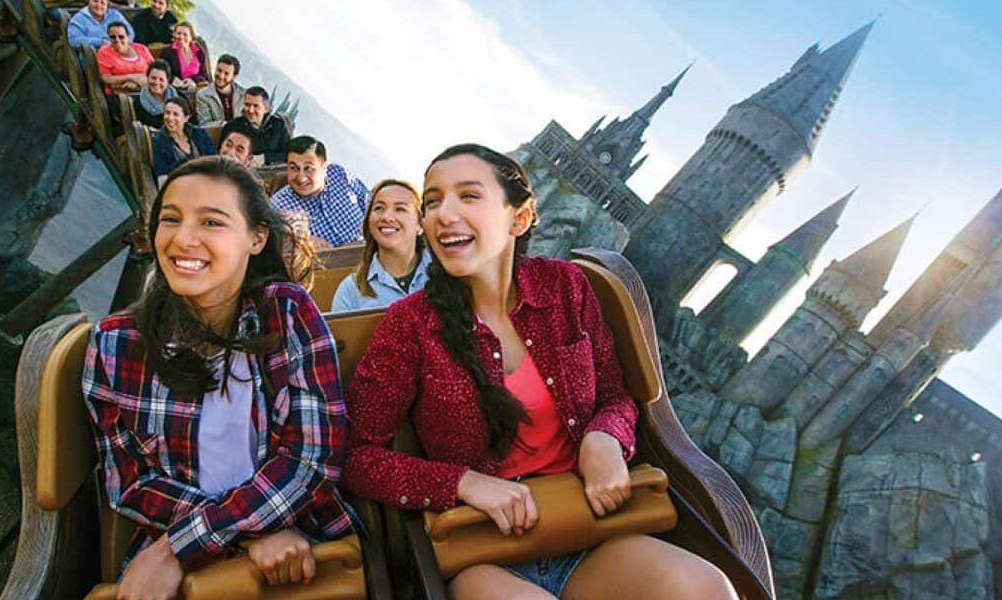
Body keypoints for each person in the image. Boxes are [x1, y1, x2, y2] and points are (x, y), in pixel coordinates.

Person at [342, 144, 737, 600]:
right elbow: (356, 455)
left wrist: (605, 438)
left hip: (586, 526)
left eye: (468, 196)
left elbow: (615, 395)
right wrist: (464, 483)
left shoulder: (567, 287)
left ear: (520, 217)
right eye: (432, 201)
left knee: (707, 588)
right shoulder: (409, 324)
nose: (443, 214)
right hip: (483, 550)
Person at [83, 157, 351, 599]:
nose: (183, 239)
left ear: (256, 238)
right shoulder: (115, 344)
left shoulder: (286, 313)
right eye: (171, 219)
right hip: (187, 563)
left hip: (304, 543)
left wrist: (182, 545)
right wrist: (243, 535)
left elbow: (312, 462)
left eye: (211, 222)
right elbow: (130, 482)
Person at [331, 179, 432, 312]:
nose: (386, 217)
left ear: (420, 224)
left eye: (400, 209)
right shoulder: (350, 291)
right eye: (379, 208)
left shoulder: (445, 272)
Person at [270, 136, 368, 249]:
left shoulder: (340, 175)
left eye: (308, 168)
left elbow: (370, 205)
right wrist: (302, 244)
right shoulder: (278, 205)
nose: (301, 178)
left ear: (324, 167)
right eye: (294, 168)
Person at [223, 87, 292, 166]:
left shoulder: (278, 126)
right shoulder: (233, 126)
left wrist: (265, 158)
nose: (250, 110)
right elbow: (222, 153)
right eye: (247, 105)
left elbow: (289, 153)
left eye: (256, 106)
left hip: (271, 170)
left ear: (266, 109)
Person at [151, 98, 217, 181]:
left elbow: (213, 157)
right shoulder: (157, 141)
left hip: (206, 178)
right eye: (167, 113)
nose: (170, 118)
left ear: (186, 118)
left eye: (175, 114)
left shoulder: (199, 133)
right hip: (178, 183)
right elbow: (162, 171)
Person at [96, 22, 152, 96]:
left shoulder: (141, 48)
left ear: (128, 36)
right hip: (119, 94)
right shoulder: (104, 52)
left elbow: (155, 69)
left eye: (121, 37)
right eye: (113, 37)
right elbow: (106, 78)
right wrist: (130, 78)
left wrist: (138, 83)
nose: (117, 40)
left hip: (146, 88)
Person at [195, 54, 246, 126]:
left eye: (226, 73)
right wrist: (225, 125)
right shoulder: (203, 95)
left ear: (234, 77)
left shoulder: (244, 95)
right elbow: (204, 124)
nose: (221, 76)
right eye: (219, 70)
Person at [162, 21, 209, 92]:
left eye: (185, 34)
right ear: (174, 35)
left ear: (191, 38)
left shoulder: (199, 51)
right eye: (178, 33)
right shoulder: (167, 51)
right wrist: (173, 79)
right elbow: (162, 70)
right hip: (175, 90)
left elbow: (204, 75)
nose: (181, 37)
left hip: (196, 89)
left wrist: (192, 80)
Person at [67, 0, 134, 49]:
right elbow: (74, 40)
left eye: (102, 2)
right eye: (95, 1)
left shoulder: (115, 15)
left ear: (107, 4)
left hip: (118, 53)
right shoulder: (79, 19)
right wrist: (100, 42)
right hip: (91, 58)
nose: (98, 5)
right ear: (89, 1)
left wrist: (121, 43)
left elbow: (130, 32)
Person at [133, 60, 178, 128]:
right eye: (153, 78)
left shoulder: (178, 98)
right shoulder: (139, 103)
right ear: (147, 78)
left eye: (161, 79)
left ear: (167, 81)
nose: (156, 82)